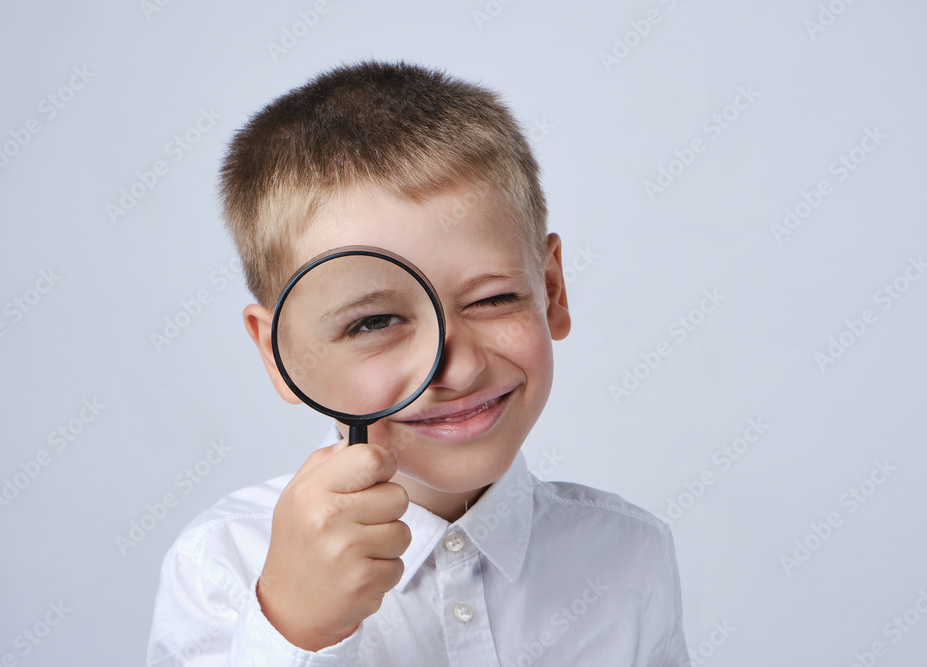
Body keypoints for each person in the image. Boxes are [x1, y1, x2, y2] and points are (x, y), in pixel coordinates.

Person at [147, 60, 689, 666]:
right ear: (279, 353)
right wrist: (296, 633)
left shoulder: (630, 554)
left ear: (552, 289)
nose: (458, 369)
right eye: (373, 322)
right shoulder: (220, 566)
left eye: (492, 299)